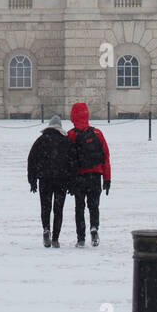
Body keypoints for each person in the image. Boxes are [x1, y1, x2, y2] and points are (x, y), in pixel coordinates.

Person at [66, 102, 111, 247]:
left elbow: (67, 159)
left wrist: (68, 180)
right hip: (95, 174)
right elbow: (105, 156)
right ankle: (94, 227)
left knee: (79, 208)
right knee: (94, 205)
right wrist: (107, 178)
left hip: (79, 176)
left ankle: (80, 238)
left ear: (73, 116)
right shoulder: (97, 133)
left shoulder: (71, 135)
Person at [27, 115, 74, 247]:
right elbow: (72, 163)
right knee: (58, 210)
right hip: (61, 180)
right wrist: (71, 182)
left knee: (45, 207)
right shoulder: (66, 141)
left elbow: (31, 160)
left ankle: (46, 229)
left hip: (44, 179)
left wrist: (32, 180)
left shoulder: (41, 140)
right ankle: (55, 238)